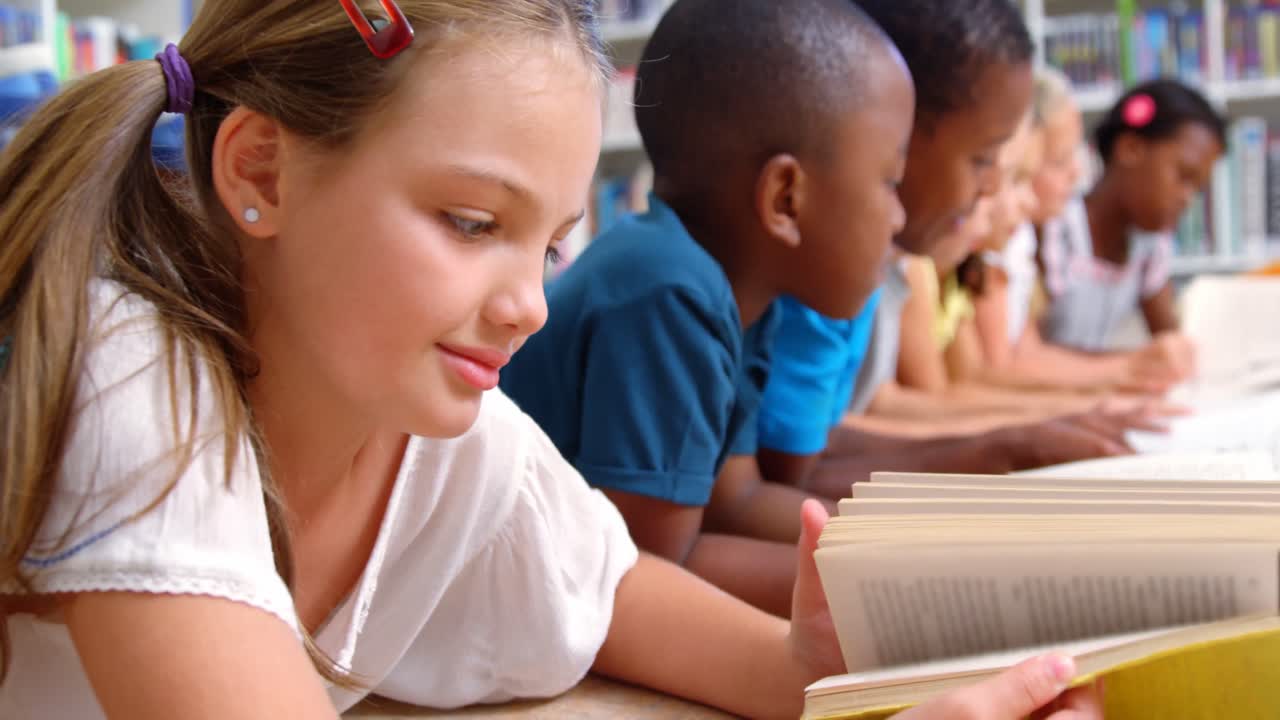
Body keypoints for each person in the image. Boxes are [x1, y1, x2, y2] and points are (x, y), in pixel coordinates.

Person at [0, 1, 1103, 718]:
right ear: (262, 174)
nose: (528, 303)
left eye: (553, 240)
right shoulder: (137, 382)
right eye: (472, 222)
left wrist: (803, 660)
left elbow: (621, 591)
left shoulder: (450, 436)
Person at [501, 0, 911, 617]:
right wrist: (887, 583)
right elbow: (653, 568)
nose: (900, 216)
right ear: (786, 199)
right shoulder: (669, 292)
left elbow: (737, 499)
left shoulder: (746, 299)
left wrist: (902, 538)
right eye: (890, 182)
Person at [754, 0, 1137, 495]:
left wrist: (1019, 436)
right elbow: (789, 471)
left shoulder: (872, 267)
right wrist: (1000, 445)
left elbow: (830, 434)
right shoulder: (827, 274)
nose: (995, 190)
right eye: (983, 160)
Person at [978, 70, 1203, 396]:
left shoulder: (1018, 243)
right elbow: (1001, 370)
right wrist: (1128, 370)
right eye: (1057, 161)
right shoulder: (1035, 239)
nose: (1077, 171)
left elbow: (1025, 355)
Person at [1037, 79, 1223, 376]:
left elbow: (1168, 337)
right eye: (1184, 177)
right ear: (1130, 149)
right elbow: (1025, 356)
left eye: (1197, 189)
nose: (1187, 200)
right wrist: (1134, 363)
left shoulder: (1148, 245)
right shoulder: (1054, 231)